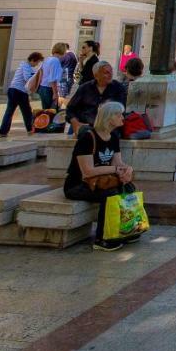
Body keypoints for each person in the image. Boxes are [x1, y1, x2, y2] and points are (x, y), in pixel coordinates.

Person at [64, 101, 136, 251]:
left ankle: (126, 229)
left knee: (128, 188)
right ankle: (102, 238)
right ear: (109, 117)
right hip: (78, 185)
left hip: (99, 182)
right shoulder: (88, 138)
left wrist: (126, 169)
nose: (123, 117)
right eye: (119, 114)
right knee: (110, 195)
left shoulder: (114, 137)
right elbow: (87, 171)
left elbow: (118, 162)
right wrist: (115, 169)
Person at [66, 61, 128, 135]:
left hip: (110, 128)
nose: (110, 75)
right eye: (106, 72)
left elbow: (121, 110)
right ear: (96, 75)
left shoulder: (118, 88)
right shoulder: (85, 88)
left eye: (111, 72)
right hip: (87, 126)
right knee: (84, 133)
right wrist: (75, 122)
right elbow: (70, 109)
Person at [0, 51, 42, 138]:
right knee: (26, 111)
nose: (36, 65)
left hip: (13, 90)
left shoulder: (23, 65)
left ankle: (2, 132)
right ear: (33, 60)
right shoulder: (27, 66)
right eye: (37, 62)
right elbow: (27, 79)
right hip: (19, 91)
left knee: (9, 111)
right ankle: (30, 129)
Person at [37, 44, 64, 111]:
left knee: (45, 111)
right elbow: (53, 79)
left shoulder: (47, 59)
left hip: (42, 87)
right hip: (49, 89)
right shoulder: (56, 61)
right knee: (52, 112)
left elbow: (41, 72)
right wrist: (55, 93)